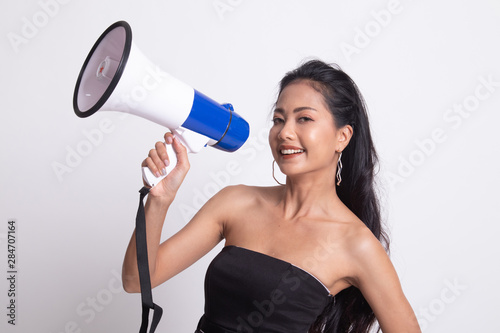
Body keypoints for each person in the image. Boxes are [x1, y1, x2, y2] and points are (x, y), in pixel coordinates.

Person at [122, 60, 421, 333]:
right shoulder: (235, 203)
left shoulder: (356, 244)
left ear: (342, 137)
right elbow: (137, 280)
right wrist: (159, 200)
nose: (284, 132)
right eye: (279, 119)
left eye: (304, 119)